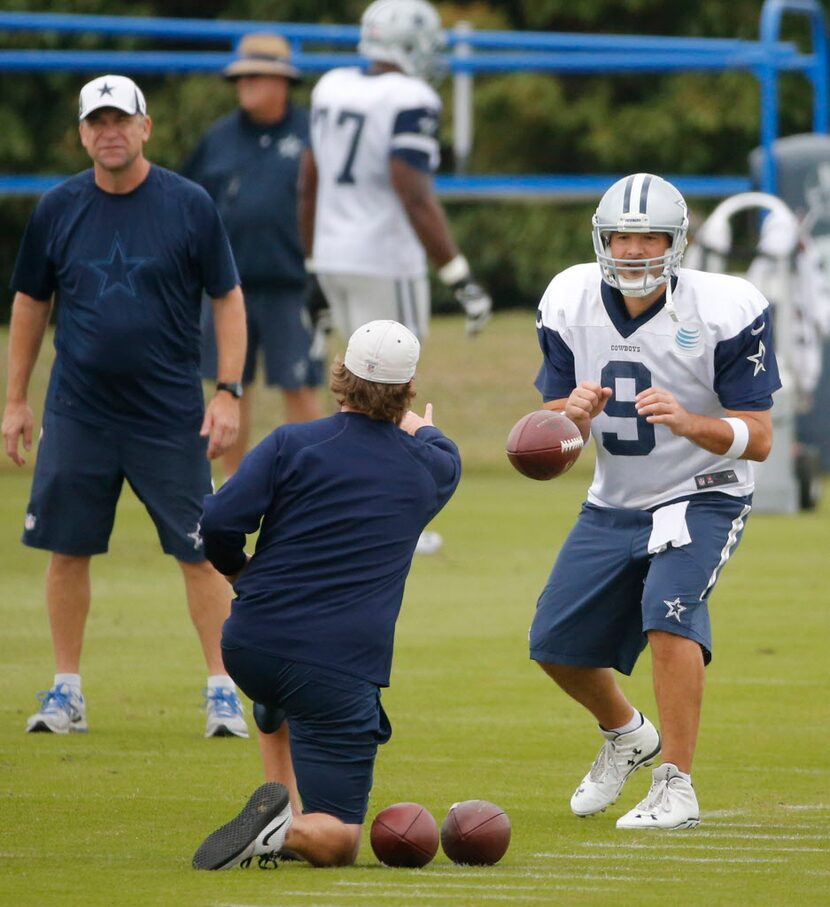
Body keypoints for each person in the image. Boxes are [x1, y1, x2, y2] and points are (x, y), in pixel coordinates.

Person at [530, 173, 781, 829]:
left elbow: (758, 438)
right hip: (614, 497)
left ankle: (676, 782)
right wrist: (571, 416)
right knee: (553, 641)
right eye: (622, 235)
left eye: (650, 236)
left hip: (703, 491)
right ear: (601, 238)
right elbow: (555, 427)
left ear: (680, 242)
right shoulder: (568, 298)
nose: (635, 249)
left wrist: (691, 421)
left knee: (667, 613)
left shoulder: (725, 307)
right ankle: (625, 731)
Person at [2, 74, 250, 739]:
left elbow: (227, 297)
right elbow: (29, 303)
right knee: (65, 548)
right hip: (79, 411)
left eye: (121, 120)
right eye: (96, 122)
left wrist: (227, 390)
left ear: (146, 127)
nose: (109, 132)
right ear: (82, 133)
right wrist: (15, 399)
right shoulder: (57, 208)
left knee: (200, 552)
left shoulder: (189, 204)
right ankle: (67, 690)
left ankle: (223, 690)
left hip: (169, 412)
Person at [190, 320, 461, 869]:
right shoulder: (433, 467)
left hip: (248, 646)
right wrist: (418, 428)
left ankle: (278, 793)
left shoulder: (291, 442)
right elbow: (437, 444)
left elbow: (217, 518)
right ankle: (285, 830)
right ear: (407, 391)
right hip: (334, 669)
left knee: (280, 681)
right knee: (339, 840)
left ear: (341, 376)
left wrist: (237, 568)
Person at [298, 0, 487, 556]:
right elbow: (409, 185)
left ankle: (341, 505)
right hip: (384, 256)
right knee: (394, 386)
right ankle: (396, 513)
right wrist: (458, 271)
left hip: (334, 253)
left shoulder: (332, 86)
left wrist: (312, 264)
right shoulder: (412, 98)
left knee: (358, 385)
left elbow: (307, 182)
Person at [183, 32, 324, 477]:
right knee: (230, 389)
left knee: (300, 384)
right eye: (240, 77)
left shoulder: (312, 133)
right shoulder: (218, 138)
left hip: (292, 285)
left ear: (282, 82)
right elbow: (190, 204)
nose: (244, 85)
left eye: (256, 76)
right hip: (228, 289)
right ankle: (232, 491)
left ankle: (317, 487)